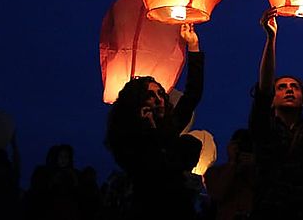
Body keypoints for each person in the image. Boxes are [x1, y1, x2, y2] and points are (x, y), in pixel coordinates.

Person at [105, 23, 203, 220]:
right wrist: (148, 129)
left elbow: (192, 94)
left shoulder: (171, 125)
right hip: (146, 209)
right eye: (151, 95)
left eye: (160, 93)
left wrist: (193, 47)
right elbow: (149, 166)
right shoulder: (127, 138)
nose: (159, 99)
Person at [248, 9, 303, 220]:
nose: (289, 89)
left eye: (294, 87)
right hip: (270, 210)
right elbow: (263, 89)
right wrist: (271, 39)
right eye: (282, 87)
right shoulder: (263, 128)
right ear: (272, 99)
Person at [204, 129, 256, 220]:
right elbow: (217, 193)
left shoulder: (258, 172)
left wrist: (255, 167)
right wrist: (232, 163)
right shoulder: (214, 172)